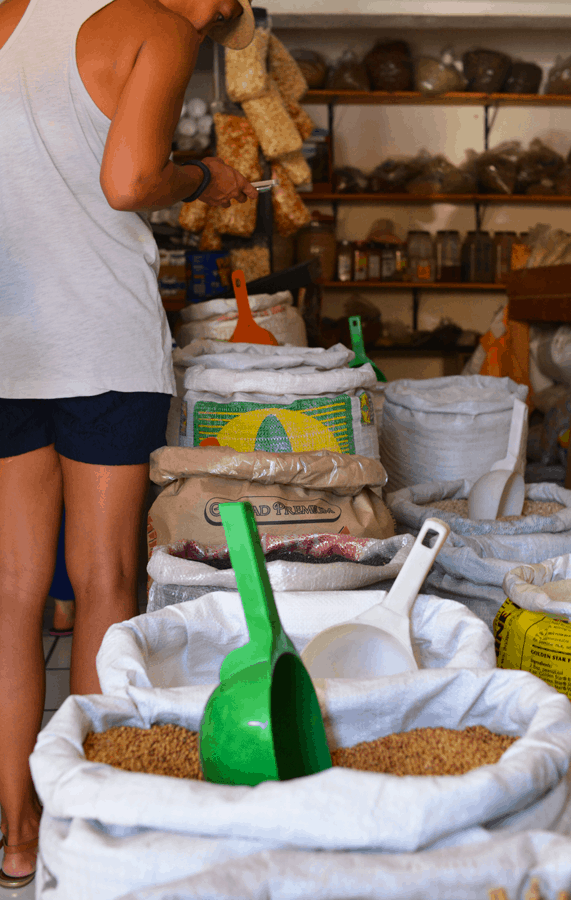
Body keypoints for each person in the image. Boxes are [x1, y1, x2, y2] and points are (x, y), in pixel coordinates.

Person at [0, 0, 258, 886]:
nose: (222, 12)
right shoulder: (155, 26)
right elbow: (128, 179)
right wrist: (203, 179)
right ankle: (80, 824)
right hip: (101, 342)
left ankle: (17, 835)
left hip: (9, 342)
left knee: (13, 596)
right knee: (106, 577)